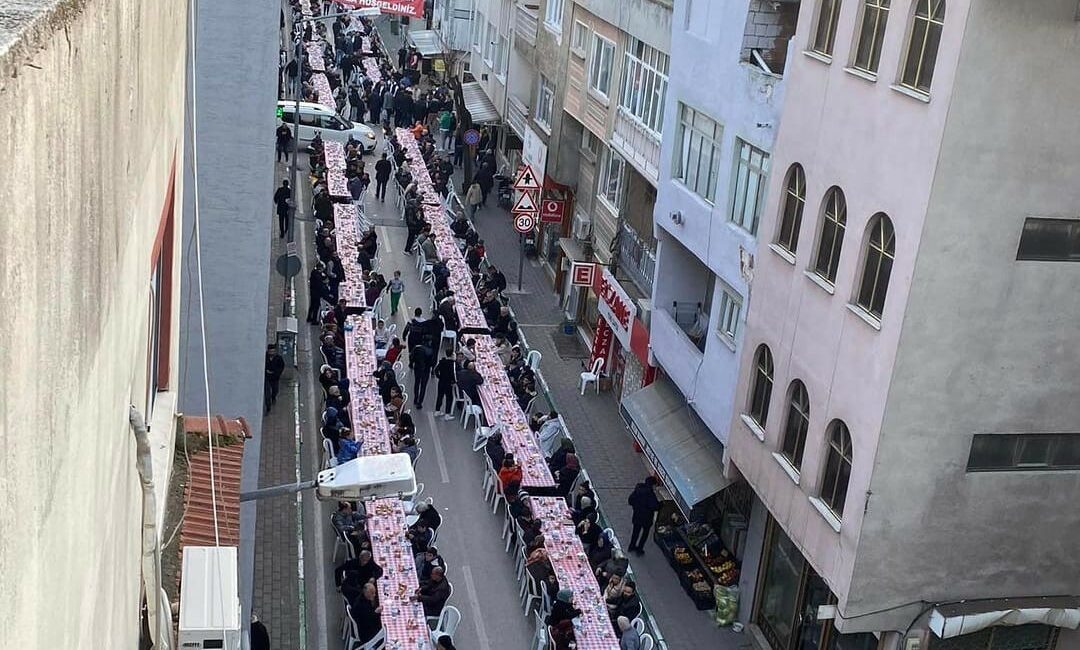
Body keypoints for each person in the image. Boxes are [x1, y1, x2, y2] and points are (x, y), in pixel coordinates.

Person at [627, 477, 660, 555]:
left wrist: (636, 507)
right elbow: (655, 506)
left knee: (635, 532)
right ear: (652, 485)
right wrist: (661, 504)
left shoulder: (638, 489)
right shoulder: (650, 494)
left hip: (637, 516)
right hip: (646, 519)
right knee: (645, 534)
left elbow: (630, 500)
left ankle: (631, 546)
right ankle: (639, 549)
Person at [410, 341, 434, 409]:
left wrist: (412, 363)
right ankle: (420, 402)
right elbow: (432, 363)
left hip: (417, 368)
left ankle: (415, 398)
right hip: (426, 370)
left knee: (417, 383)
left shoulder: (417, 348)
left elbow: (411, 357)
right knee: (423, 386)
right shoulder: (430, 351)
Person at [264, 344, 285, 413]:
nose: (271, 353)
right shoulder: (265, 357)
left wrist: (276, 373)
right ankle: (268, 407)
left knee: (275, 390)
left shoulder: (278, 358)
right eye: (270, 351)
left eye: (273, 351)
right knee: (267, 393)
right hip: (267, 377)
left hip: (275, 378)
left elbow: (281, 367)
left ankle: (273, 397)